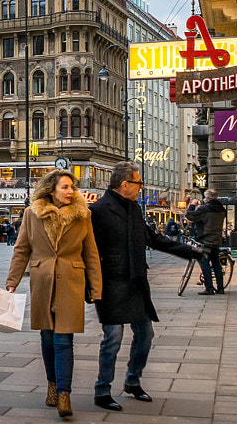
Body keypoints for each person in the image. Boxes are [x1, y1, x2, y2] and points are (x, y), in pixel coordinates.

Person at [88, 162, 206, 411]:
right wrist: (89, 283)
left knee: (145, 334)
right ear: (125, 185)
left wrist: (190, 252)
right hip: (111, 283)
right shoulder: (98, 210)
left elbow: (153, 239)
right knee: (113, 337)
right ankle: (102, 390)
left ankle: (132, 380)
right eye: (139, 183)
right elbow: (86, 249)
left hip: (135, 282)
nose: (141, 188)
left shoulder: (133, 209)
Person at [5, 169, 102, 419]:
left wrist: (96, 287)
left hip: (71, 281)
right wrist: (12, 282)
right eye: (65, 187)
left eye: (72, 187)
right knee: (48, 338)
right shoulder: (32, 213)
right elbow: (22, 250)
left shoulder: (83, 216)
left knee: (63, 340)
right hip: (42, 282)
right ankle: (51, 384)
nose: (71, 191)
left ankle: (64, 393)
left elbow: (91, 253)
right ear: (51, 189)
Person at [187, 189, 228, 294]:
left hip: (205, 239)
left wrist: (192, 205)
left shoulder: (205, 209)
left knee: (205, 263)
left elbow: (191, 216)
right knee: (216, 263)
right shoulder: (222, 209)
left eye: (205, 198)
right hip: (216, 239)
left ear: (208, 198)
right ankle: (220, 288)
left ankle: (209, 288)